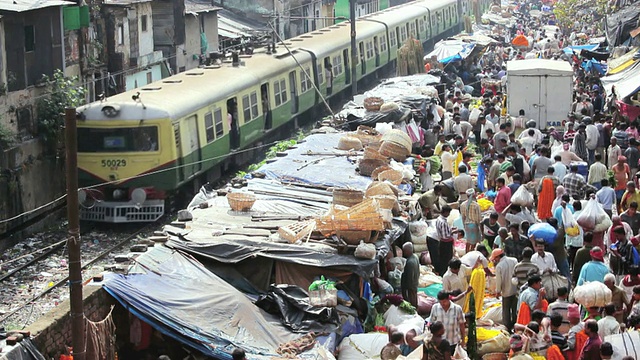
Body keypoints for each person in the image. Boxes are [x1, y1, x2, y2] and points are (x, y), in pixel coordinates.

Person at [492, 249, 518, 331]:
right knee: (515, 310)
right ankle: (515, 326)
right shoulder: (514, 260)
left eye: (495, 258)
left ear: (498, 257)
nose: (495, 260)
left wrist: (498, 292)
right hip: (515, 290)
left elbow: (499, 281)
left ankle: (507, 328)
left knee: (506, 311)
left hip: (506, 292)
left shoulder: (499, 266)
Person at [435, 205, 456, 276]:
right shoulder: (443, 222)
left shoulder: (439, 219)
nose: (449, 214)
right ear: (445, 212)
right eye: (448, 213)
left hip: (442, 242)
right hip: (446, 244)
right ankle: (444, 274)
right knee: (446, 260)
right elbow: (445, 236)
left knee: (442, 259)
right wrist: (453, 232)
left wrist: (451, 229)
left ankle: (442, 273)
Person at [460, 189, 482, 254]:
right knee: (473, 242)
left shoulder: (463, 204)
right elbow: (478, 218)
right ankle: (471, 253)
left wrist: (464, 225)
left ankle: (466, 253)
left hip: (467, 225)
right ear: (473, 195)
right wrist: (479, 227)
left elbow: (463, 217)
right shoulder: (476, 205)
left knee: (468, 241)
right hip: (474, 225)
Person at [401, 243, 420, 307]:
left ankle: (414, 310)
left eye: (404, 251)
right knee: (414, 297)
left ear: (407, 251)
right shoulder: (415, 256)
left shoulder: (410, 262)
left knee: (412, 299)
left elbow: (409, 277)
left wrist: (406, 287)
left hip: (411, 285)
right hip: (415, 282)